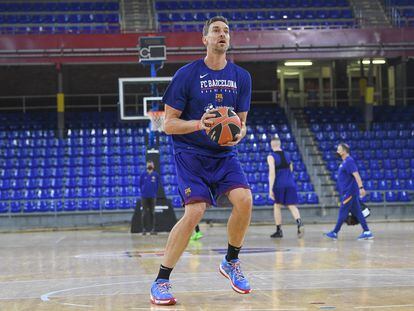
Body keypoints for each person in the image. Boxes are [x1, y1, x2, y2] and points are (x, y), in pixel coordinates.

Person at [150, 16, 253, 305]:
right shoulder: (186, 74)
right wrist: (199, 124)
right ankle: (161, 280)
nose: (222, 35)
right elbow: (168, 124)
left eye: (227, 31)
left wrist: (238, 135)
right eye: (216, 31)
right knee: (194, 212)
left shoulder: (242, 77)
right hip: (190, 154)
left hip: (223, 155)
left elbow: (241, 124)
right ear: (204, 39)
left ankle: (231, 261)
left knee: (245, 200)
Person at [324, 143, 374, 240]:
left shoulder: (349, 161)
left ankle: (334, 232)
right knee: (358, 213)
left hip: (349, 192)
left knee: (343, 211)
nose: (337, 152)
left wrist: (361, 187)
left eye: (339, 150)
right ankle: (367, 231)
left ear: (344, 151)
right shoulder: (345, 162)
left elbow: (356, 175)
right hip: (349, 192)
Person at [267, 135, 304, 238]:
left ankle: (279, 230)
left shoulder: (271, 156)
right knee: (292, 205)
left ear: (271, 145)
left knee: (277, 206)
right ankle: (299, 223)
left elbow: (272, 172)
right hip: (290, 183)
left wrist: (270, 189)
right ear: (279, 144)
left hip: (279, 184)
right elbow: (291, 168)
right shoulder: (287, 155)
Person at [139, 160, 160, 235]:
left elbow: (157, 185)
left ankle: (153, 230)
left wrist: (154, 192)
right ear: (146, 165)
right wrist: (143, 191)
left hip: (153, 196)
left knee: (152, 213)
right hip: (144, 196)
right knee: (144, 213)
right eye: (148, 164)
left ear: (153, 166)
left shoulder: (156, 175)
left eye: (151, 164)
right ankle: (144, 230)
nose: (150, 165)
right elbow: (140, 184)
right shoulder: (143, 174)